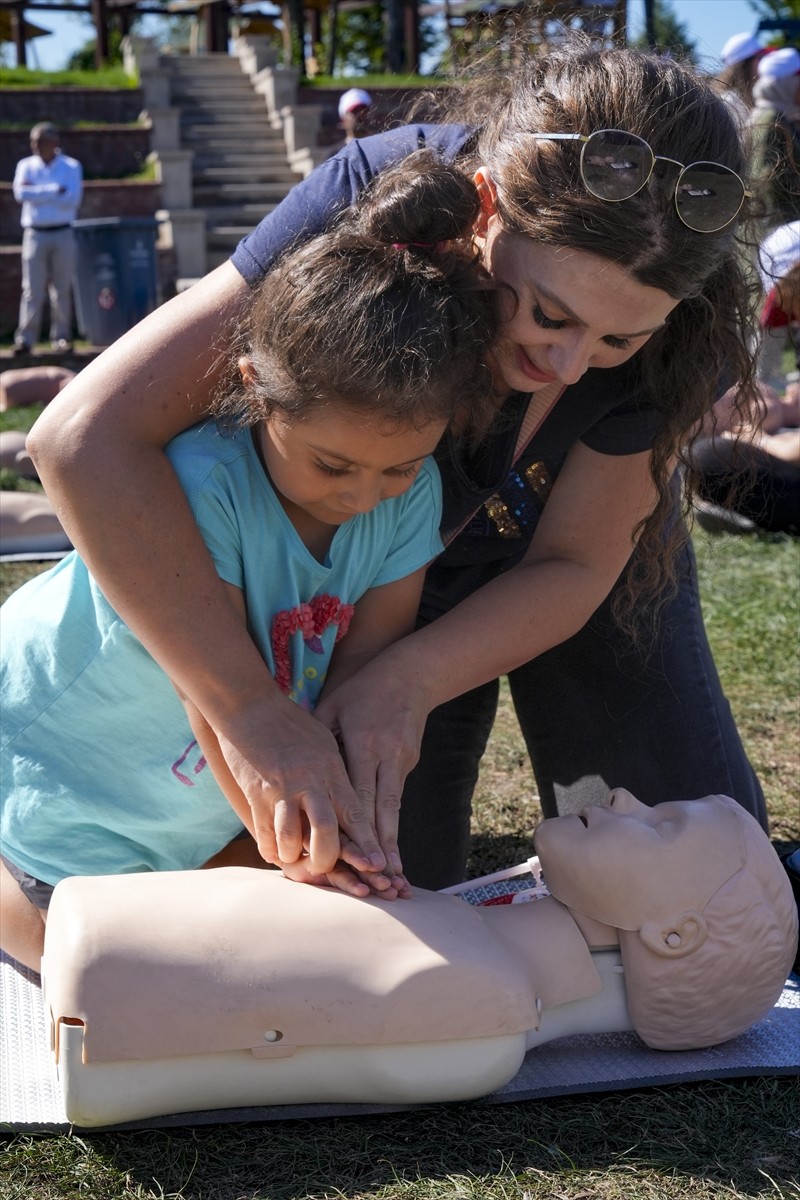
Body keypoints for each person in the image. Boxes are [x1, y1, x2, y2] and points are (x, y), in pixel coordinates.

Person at [26, 39, 770, 896]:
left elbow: (577, 563)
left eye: (617, 341)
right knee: (379, 888)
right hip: (363, 566)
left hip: (553, 567)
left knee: (702, 884)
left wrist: (410, 679)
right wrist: (250, 710)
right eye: (546, 312)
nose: (568, 366)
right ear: (483, 207)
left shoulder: (684, 319)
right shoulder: (376, 192)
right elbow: (83, 437)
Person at [0, 154, 500, 972]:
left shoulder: (414, 498)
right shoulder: (208, 483)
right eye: (334, 466)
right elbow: (216, 700)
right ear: (256, 393)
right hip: (73, 760)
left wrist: (338, 839)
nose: (365, 497)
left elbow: (363, 665)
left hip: (190, 793)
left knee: (268, 947)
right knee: (99, 969)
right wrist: (303, 846)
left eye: (400, 467)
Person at [40, 790, 798, 1127]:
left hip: (104, 970)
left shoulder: (484, 1012)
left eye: (662, 826)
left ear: (674, 936)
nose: (629, 795)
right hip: (98, 937)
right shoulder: (482, 973)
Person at [12, 123, 83, 356]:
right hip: (34, 234)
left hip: (63, 232)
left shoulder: (71, 166)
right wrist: (54, 190)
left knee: (62, 288)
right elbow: (21, 194)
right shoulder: (25, 165)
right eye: (33, 141)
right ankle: (26, 339)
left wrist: (38, 192)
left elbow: (71, 199)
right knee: (31, 289)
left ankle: (61, 338)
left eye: (39, 140)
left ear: (53, 143)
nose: (34, 146)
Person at [748, 47, 800, 230]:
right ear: (784, 84)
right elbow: (766, 182)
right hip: (776, 232)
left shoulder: (781, 115)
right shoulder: (770, 119)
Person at [714, 31, 764, 125]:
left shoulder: (748, 96)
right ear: (745, 64)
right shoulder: (730, 102)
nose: (763, 61)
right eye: (760, 57)